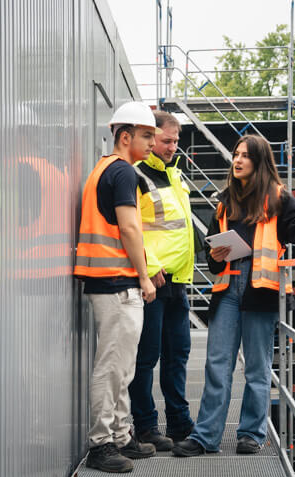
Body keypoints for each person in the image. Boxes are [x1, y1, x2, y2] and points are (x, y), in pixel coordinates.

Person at [172, 134, 295, 457]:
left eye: (244, 156)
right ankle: (205, 437)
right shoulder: (225, 201)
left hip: (262, 290)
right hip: (228, 289)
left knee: (257, 368)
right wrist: (216, 255)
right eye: (235, 155)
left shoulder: (279, 198)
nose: (237, 160)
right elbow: (212, 261)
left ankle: (251, 434)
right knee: (217, 365)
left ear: (259, 162)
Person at [74, 101, 161, 473]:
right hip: (116, 282)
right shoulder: (124, 172)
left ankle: (122, 436)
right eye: (146, 136)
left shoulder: (104, 168)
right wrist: (144, 276)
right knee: (112, 366)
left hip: (108, 279)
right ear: (125, 137)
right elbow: (128, 228)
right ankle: (101, 444)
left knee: (122, 366)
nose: (152, 143)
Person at [127, 111, 197, 451]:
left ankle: (179, 422)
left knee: (177, 355)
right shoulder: (136, 175)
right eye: (166, 141)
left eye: (176, 141)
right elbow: (128, 227)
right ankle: (145, 427)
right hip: (153, 280)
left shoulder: (176, 175)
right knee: (147, 357)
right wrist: (150, 266)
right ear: (150, 139)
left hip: (178, 281)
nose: (172, 147)